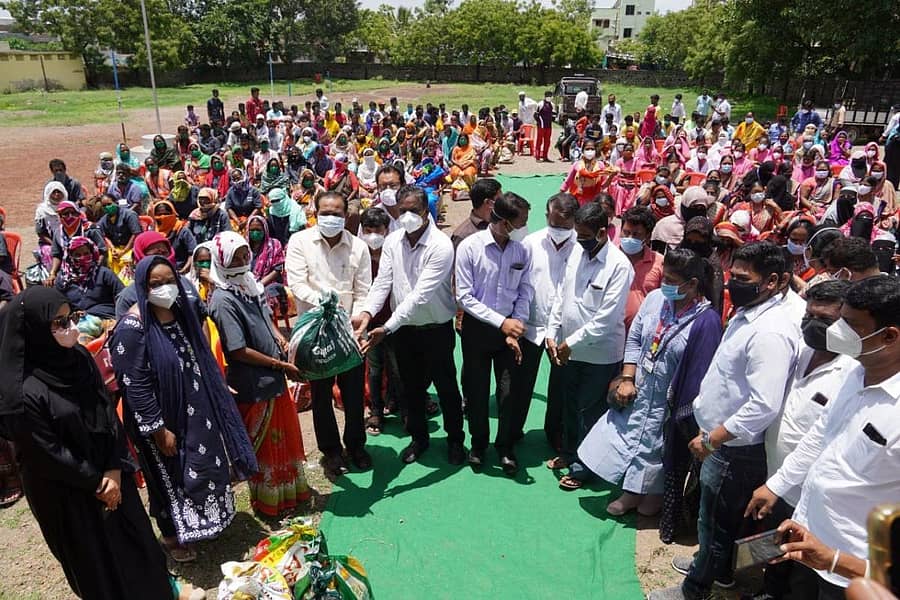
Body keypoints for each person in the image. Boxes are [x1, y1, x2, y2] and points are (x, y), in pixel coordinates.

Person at [0, 287, 183, 600]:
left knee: (137, 546)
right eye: (58, 323)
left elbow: (106, 408)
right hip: (67, 493)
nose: (69, 327)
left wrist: (113, 469)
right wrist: (96, 482)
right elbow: (46, 452)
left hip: (112, 475)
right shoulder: (22, 393)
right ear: (34, 329)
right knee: (97, 564)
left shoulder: (80, 358)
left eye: (70, 317)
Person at [650, 242, 798, 600]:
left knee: (715, 522)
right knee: (721, 520)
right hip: (725, 440)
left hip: (732, 447)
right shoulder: (756, 310)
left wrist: (713, 438)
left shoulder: (771, 332)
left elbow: (763, 403)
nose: (733, 284)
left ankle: (696, 589)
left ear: (774, 281)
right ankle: (715, 568)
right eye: (733, 276)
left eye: (743, 278)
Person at [745, 276, 900, 598]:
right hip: (809, 533)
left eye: (850, 324)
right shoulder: (855, 372)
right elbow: (821, 435)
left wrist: (843, 561)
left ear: (889, 336)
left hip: (850, 568)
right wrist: (778, 484)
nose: (837, 331)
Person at [111, 256, 257, 562]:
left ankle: (205, 523)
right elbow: (134, 385)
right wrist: (157, 429)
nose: (164, 288)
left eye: (169, 281)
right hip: (161, 418)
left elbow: (199, 354)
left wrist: (215, 385)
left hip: (197, 406)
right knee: (169, 476)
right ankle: (172, 536)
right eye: (155, 284)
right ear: (141, 287)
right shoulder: (132, 327)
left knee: (203, 464)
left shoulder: (182, 313)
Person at [578, 249, 721, 521]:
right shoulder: (655, 299)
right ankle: (631, 492)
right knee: (631, 437)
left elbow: (703, 370)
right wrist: (628, 377)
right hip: (640, 387)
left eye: (671, 279)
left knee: (657, 447)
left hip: (670, 397)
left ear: (692, 284)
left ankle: (654, 495)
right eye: (663, 276)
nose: (663, 284)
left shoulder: (705, 321)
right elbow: (634, 339)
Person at [357, 186, 467, 465]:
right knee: (409, 388)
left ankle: (455, 440)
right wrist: (367, 313)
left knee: (446, 387)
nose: (407, 216)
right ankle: (419, 439)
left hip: (435, 329)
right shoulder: (393, 241)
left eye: (413, 211)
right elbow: (383, 282)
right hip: (403, 332)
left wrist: (388, 326)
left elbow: (420, 296)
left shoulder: (440, 245)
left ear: (426, 212)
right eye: (402, 210)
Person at [208, 232, 310, 516]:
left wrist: (280, 339)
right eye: (235, 257)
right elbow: (238, 350)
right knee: (266, 446)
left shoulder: (248, 284)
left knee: (283, 440)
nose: (243, 261)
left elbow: (267, 320)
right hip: (255, 383)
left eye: (244, 255)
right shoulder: (223, 299)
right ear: (221, 260)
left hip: (273, 377)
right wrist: (280, 366)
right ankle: (269, 503)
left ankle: (289, 494)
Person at [545, 202, 634, 490]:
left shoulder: (619, 266)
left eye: (585, 235)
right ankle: (570, 454)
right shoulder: (577, 254)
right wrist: (551, 331)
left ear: (601, 232)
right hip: (567, 349)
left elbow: (606, 320)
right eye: (577, 234)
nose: (580, 240)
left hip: (599, 354)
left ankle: (584, 468)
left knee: (590, 412)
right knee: (569, 407)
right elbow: (561, 295)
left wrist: (570, 342)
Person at [286, 192, 372, 479]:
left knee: (353, 393)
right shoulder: (300, 242)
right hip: (314, 332)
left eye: (337, 213)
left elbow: (363, 290)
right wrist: (325, 302)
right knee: (321, 395)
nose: (331, 217)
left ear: (346, 215)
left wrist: (357, 322)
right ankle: (331, 451)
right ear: (315, 212)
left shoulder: (357, 247)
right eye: (325, 212)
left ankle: (356, 446)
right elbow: (297, 283)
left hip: (349, 332)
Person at [455, 192, 534, 474]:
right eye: (521, 221)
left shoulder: (521, 250)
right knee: (476, 392)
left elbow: (525, 291)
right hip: (478, 329)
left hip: (510, 333)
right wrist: (501, 322)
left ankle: (505, 446)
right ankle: (478, 445)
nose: (525, 226)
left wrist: (517, 325)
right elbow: (464, 297)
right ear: (503, 221)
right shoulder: (470, 248)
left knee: (508, 392)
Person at [521, 193, 578, 451]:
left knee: (561, 386)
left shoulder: (581, 248)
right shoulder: (530, 243)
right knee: (520, 382)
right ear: (546, 217)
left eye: (565, 227)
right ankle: (511, 433)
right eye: (554, 225)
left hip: (565, 331)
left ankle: (554, 433)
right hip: (531, 326)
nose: (558, 231)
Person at [55, 236, 123, 321]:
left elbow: (122, 296)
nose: (83, 258)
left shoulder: (104, 274)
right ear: (70, 257)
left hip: (106, 318)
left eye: (86, 254)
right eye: (77, 255)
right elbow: (58, 305)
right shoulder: (63, 280)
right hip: (76, 323)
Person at [619, 207, 664, 329]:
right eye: (626, 232)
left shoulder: (659, 263)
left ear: (648, 237)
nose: (629, 238)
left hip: (643, 332)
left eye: (636, 235)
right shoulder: (609, 258)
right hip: (609, 333)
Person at [560, 139, 612, 205]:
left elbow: (604, 184)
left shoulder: (600, 166)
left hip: (595, 201)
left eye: (592, 149)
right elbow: (568, 181)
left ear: (595, 151)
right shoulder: (577, 165)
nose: (590, 151)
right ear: (582, 151)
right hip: (577, 200)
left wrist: (611, 176)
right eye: (587, 149)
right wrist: (560, 194)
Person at [535, 91, 554, 162]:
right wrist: (540, 123)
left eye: (550, 95)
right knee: (539, 141)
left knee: (547, 142)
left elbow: (553, 115)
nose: (550, 97)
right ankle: (537, 157)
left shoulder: (552, 104)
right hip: (541, 126)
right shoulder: (540, 104)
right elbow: (535, 115)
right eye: (548, 95)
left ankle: (545, 156)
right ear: (545, 96)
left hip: (549, 126)